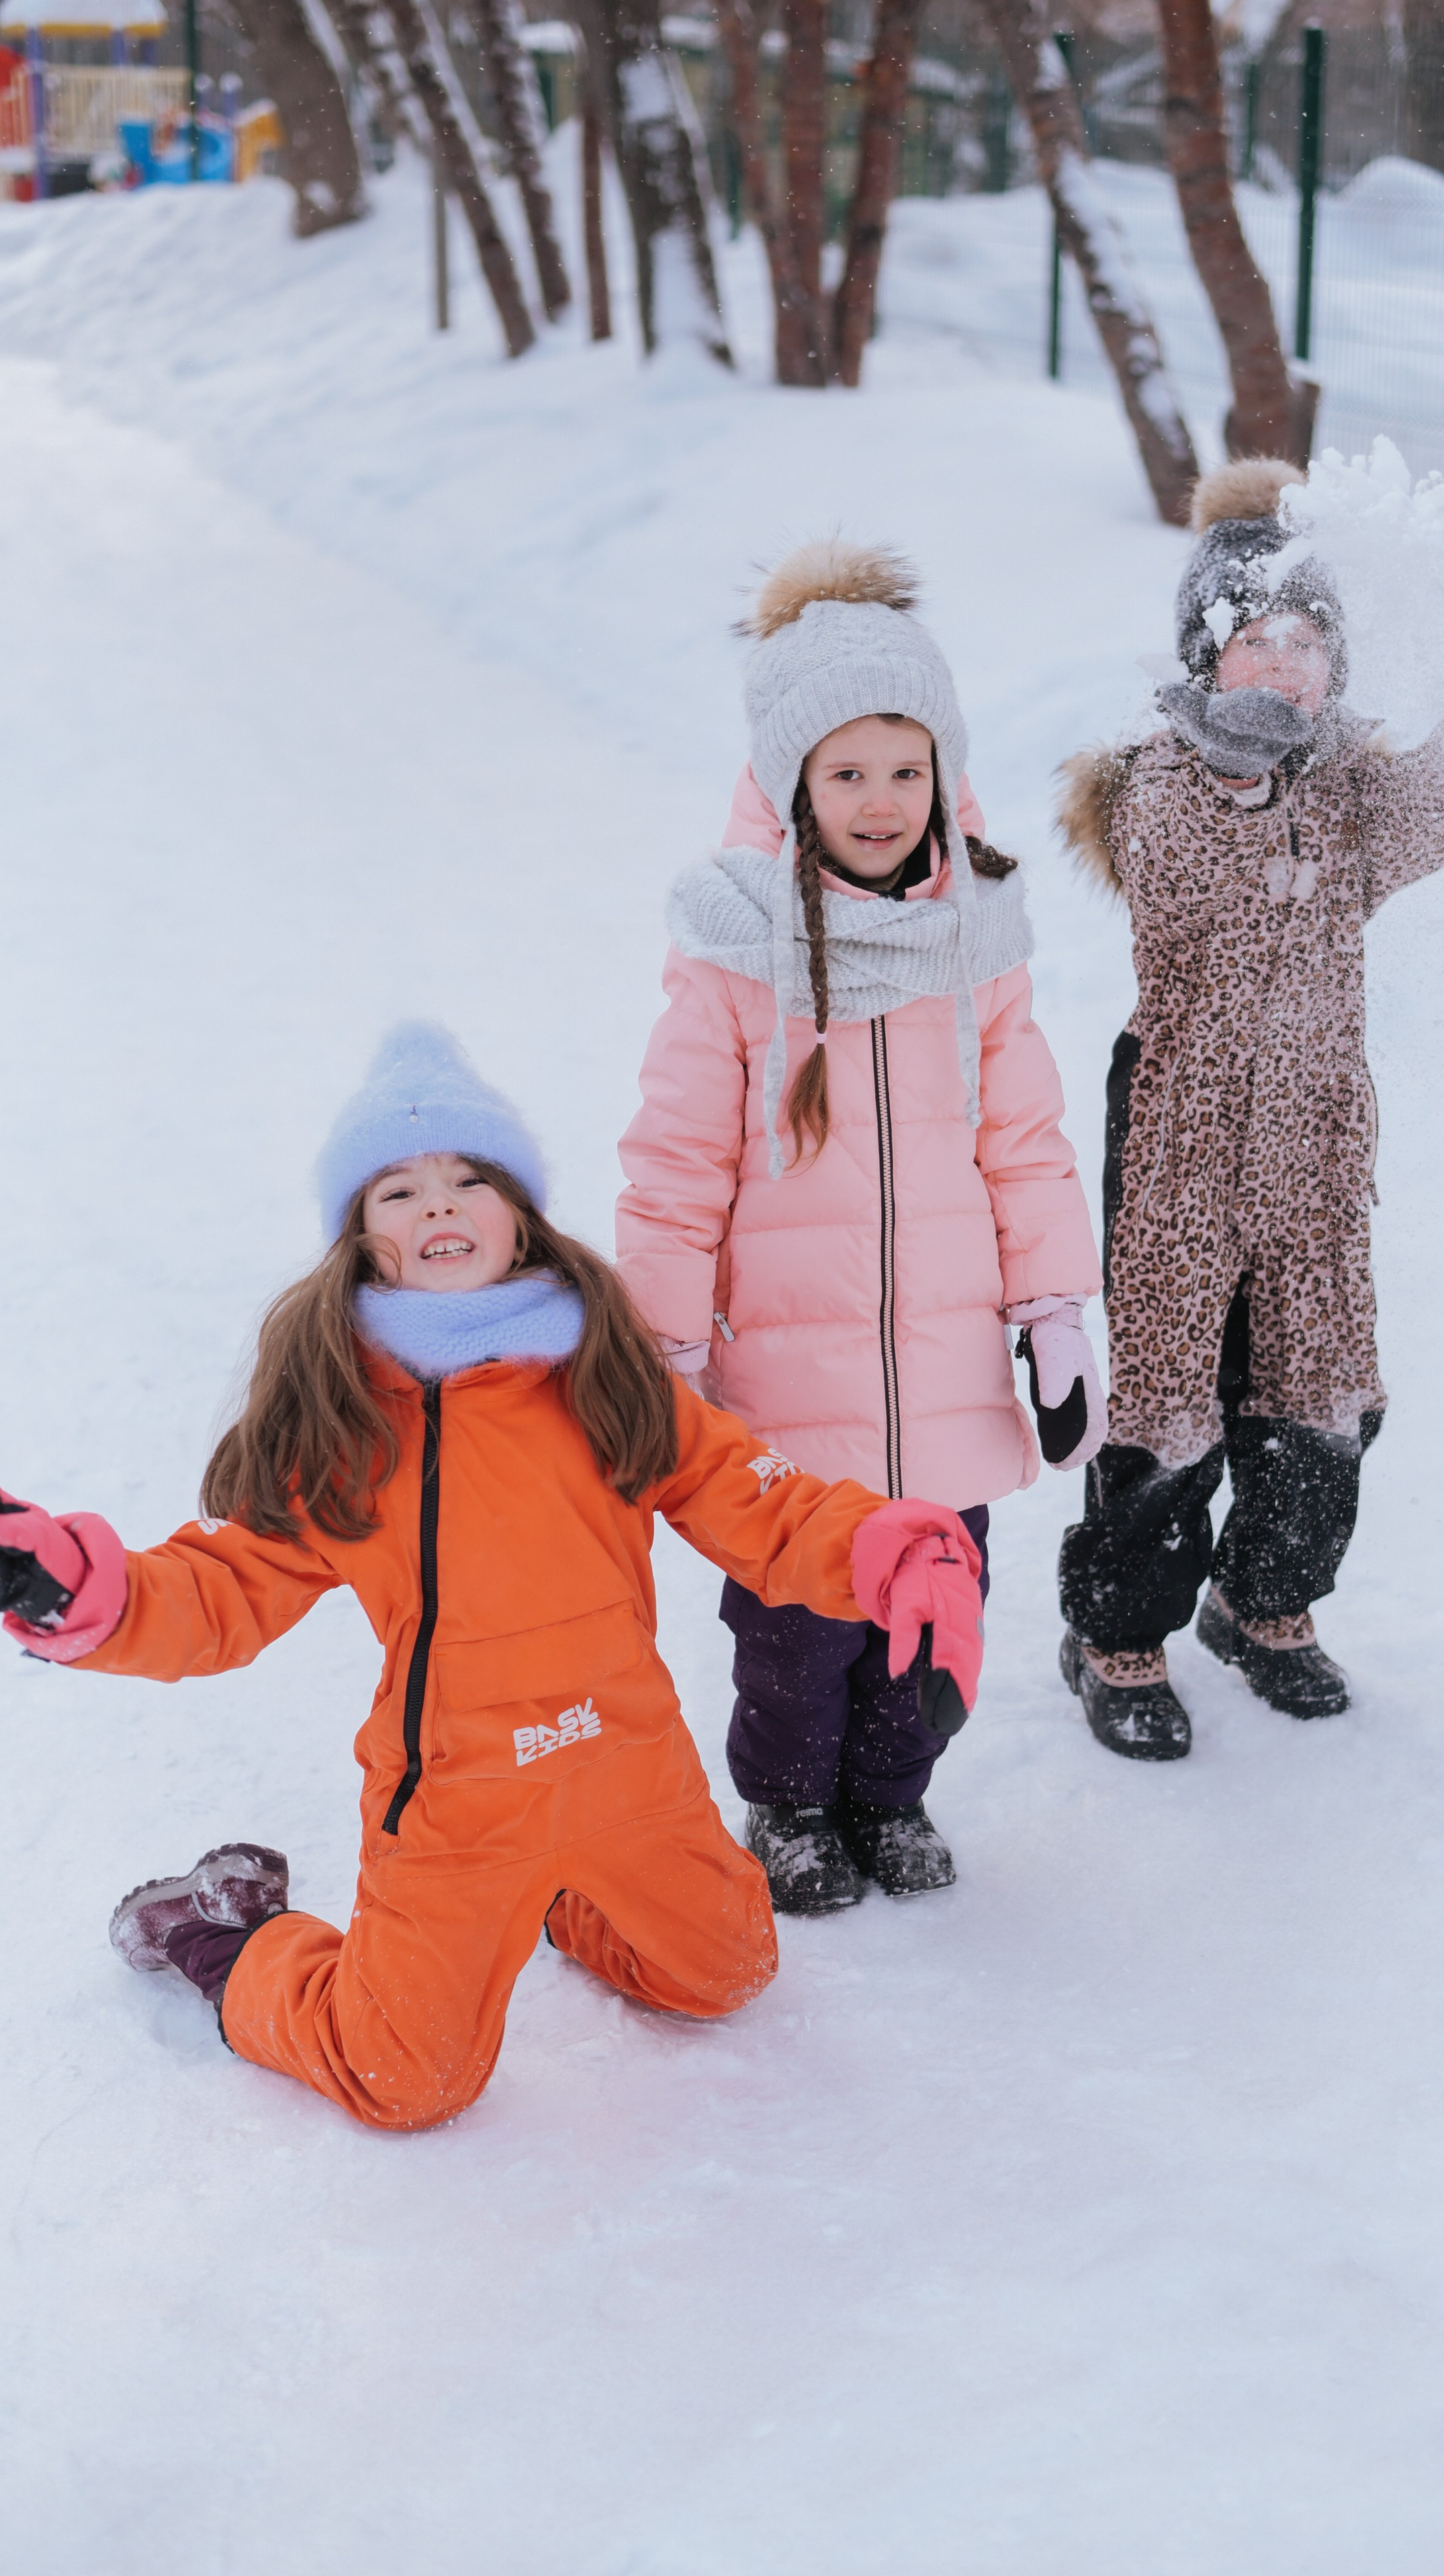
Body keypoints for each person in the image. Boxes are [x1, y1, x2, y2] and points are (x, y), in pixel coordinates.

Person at [0, 1024, 985, 2133]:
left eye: (471, 1179)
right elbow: (222, 1588)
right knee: (405, 2081)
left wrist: (892, 1549)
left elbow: (757, 1498)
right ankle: (229, 1940)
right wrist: (99, 1596)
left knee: (729, 1973)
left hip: (628, 1768)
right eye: (400, 1193)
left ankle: (563, 1900)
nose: (439, 1207)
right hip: (460, 1800)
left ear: (518, 1218)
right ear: (363, 1243)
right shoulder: (345, 1427)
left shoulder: (605, 1378)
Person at [1054, 458, 1444, 1759]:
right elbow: (1189, 883)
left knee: (1319, 1384)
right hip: (1183, 1126)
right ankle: (1115, 1630)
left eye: (1310, 642)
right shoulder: (1156, 777)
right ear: (1208, 650)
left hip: (1313, 1129)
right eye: (1258, 637)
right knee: (1165, 1390)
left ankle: (1263, 1603)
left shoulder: (1348, 789)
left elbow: (1432, 807)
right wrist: (1239, 778)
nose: (1286, 664)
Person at [616, 541, 1102, 1913]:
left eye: (906, 769)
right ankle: (786, 1807)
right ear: (789, 785)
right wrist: (659, 1346)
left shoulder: (976, 941)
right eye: (847, 773)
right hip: (783, 1396)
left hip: (944, 1378)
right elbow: (674, 1159)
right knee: (792, 1633)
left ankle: (891, 1796)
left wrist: (1052, 1311)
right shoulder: (731, 948)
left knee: (932, 1617)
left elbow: (1024, 1140)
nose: (881, 802)